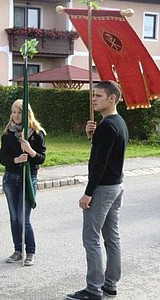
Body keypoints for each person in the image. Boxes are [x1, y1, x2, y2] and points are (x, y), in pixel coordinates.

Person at [67, 80, 128, 300]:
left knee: (91, 239)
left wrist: (88, 193)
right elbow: (107, 154)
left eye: (99, 95)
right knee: (112, 238)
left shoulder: (107, 126)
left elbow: (99, 164)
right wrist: (91, 137)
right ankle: (110, 285)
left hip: (103, 188)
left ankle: (94, 289)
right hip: (117, 185)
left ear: (112, 98)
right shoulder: (119, 123)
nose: (93, 99)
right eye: (93, 95)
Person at [0, 99, 46, 266]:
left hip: (28, 178)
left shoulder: (36, 133)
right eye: (14, 112)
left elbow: (42, 158)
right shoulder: (7, 134)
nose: (16, 116)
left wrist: (30, 151)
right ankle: (18, 250)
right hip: (11, 178)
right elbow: (2, 158)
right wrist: (16, 159)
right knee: (13, 217)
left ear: (27, 114)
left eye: (20, 112)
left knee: (23, 218)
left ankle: (30, 251)